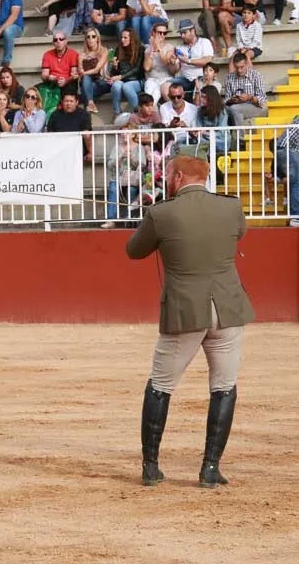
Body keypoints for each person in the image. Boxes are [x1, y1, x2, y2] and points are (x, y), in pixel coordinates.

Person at [126, 154, 254, 489]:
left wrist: (152, 222)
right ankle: (210, 468)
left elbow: (134, 250)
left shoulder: (161, 213)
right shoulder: (231, 206)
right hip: (228, 309)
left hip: (185, 310)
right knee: (224, 386)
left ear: (179, 177)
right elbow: (239, 233)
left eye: (168, 174)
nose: (166, 179)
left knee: (161, 385)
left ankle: (151, 466)